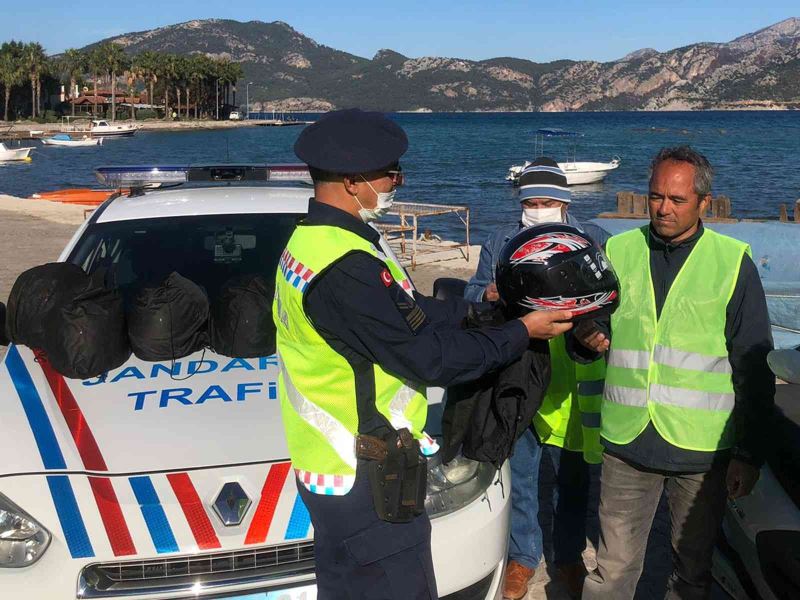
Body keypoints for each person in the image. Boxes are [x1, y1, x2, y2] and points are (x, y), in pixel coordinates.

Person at [273, 109, 575, 599]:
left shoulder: (313, 242)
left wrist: (480, 311)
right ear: (352, 181)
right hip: (368, 472)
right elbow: (431, 360)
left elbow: (405, 310)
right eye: (391, 172)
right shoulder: (345, 267)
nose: (398, 181)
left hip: (329, 466)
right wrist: (522, 331)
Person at [579, 146, 775, 600]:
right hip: (628, 443)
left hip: (701, 452)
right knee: (612, 571)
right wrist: (585, 337)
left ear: (704, 202)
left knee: (691, 574)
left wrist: (748, 453)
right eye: (655, 197)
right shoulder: (618, 249)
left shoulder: (732, 263)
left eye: (677, 199)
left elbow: (753, 361)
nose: (663, 208)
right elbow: (592, 326)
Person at [465, 158, 610, 599]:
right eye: (530, 201)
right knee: (522, 473)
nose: (537, 208)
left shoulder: (595, 239)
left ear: (564, 202)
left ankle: (566, 557)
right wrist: (491, 292)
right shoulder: (501, 240)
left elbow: (615, 297)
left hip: (576, 372)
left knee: (573, 475)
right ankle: (523, 558)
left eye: (547, 201)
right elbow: (472, 295)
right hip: (521, 367)